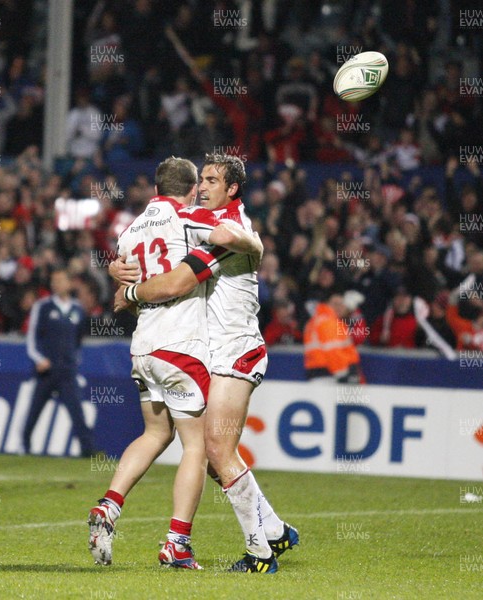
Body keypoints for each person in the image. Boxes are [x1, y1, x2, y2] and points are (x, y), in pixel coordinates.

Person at [112, 154, 298, 573]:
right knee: (211, 457)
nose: (203, 187)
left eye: (213, 180)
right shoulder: (200, 220)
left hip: (237, 349)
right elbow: (160, 240)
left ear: (232, 188)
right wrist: (114, 267)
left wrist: (133, 292)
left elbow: (180, 277)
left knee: (215, 448)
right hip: (210, 354)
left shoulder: (227, 227)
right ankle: (274, 530)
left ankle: (260, 555)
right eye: (202, 180)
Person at [24, 268, 94, 456]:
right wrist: (39, 359)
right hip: (46, 370)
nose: (56, 284)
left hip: (67, 370)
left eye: (60, 280)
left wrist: (74, 360)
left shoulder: (78, 309)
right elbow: (32, 337)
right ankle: (25, 443)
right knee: (35, 410)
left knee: (76, 411)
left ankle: (87, 450)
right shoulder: (43, 306)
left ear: (69, 283)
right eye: (54, 280)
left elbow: (78, 340)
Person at [303, 292, 363, 383]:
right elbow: (333, 350)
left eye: (341, 304)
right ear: (327, 304)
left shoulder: (316, 320)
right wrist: (343, 374)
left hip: (318, 372)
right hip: (329, 375)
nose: (339, 307)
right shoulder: (329, 322)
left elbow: (359, 336)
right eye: (335, 304)